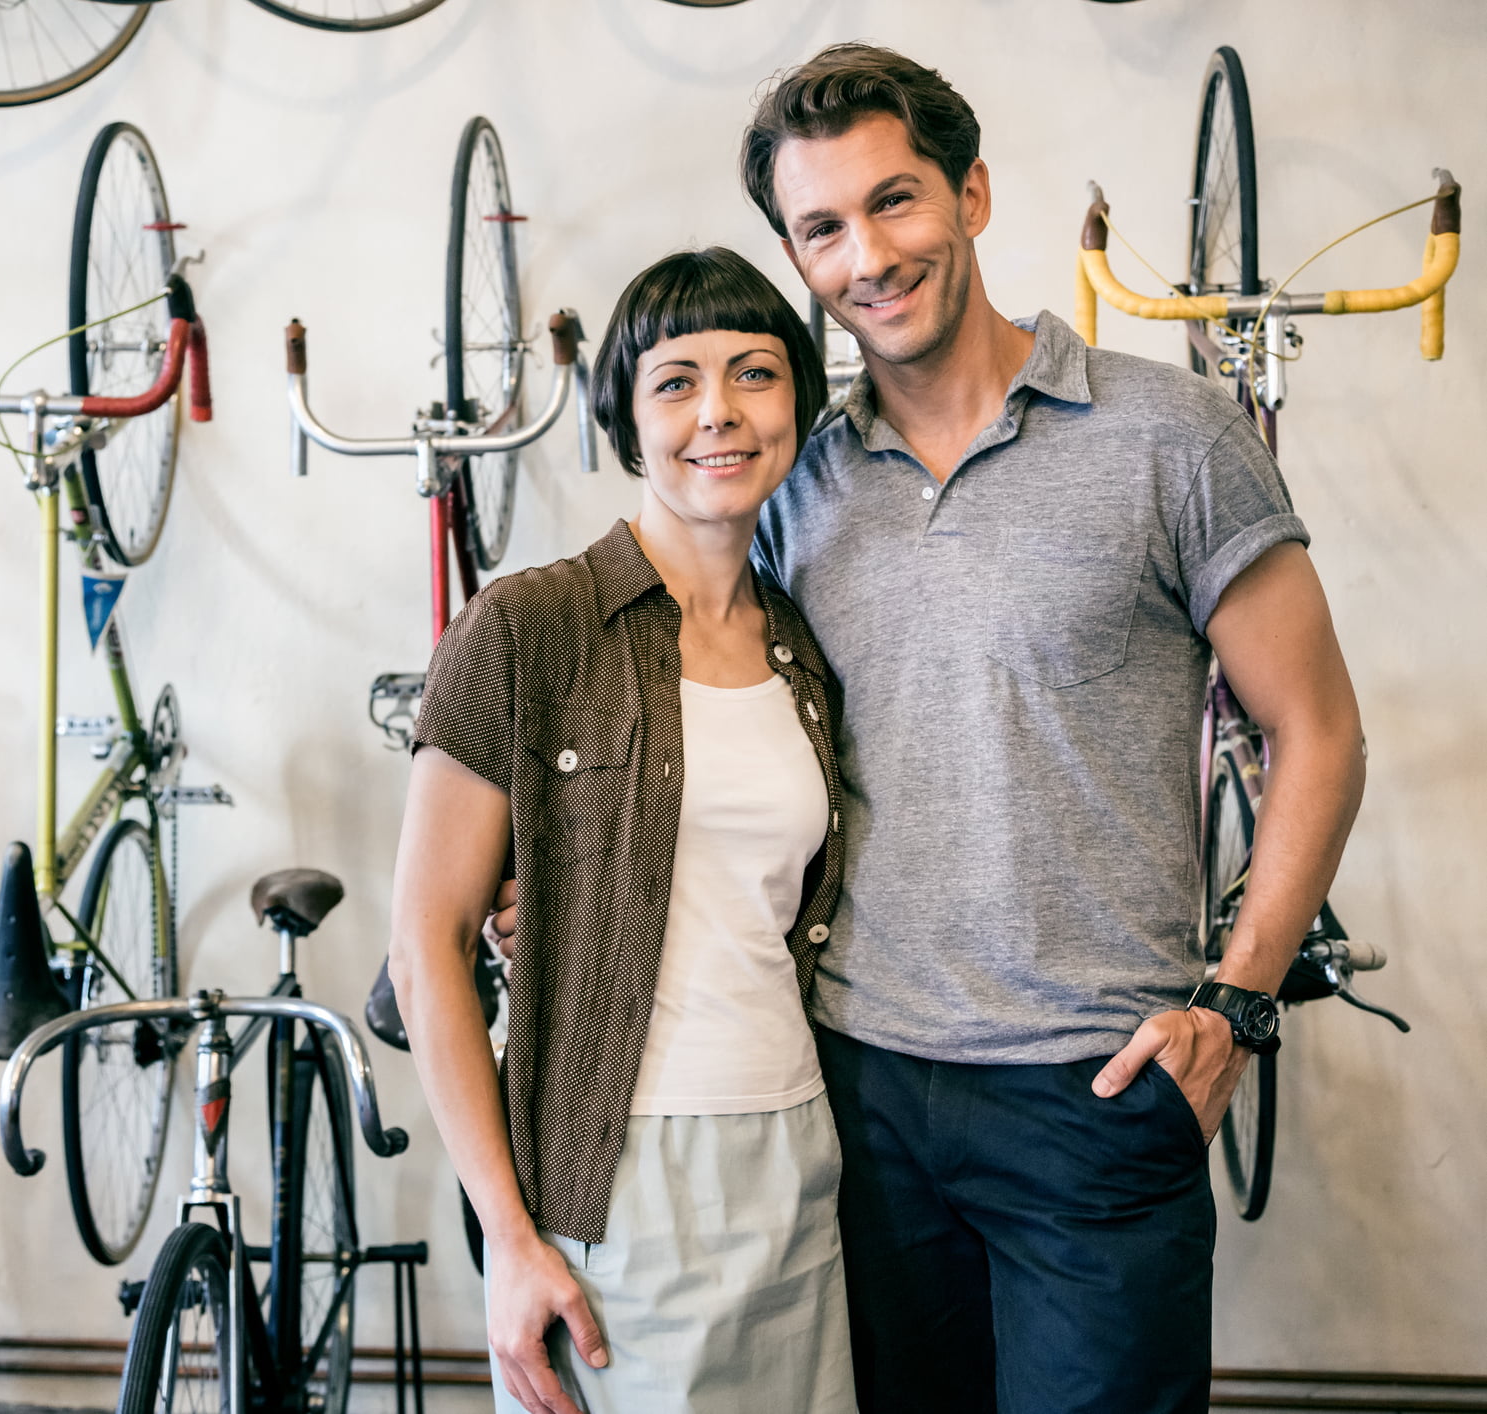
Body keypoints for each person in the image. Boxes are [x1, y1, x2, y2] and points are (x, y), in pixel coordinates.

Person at [495, 40, 1367, 1414]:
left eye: (893, 202)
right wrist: (540, 875)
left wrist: (1235, 1000)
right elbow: (687, 726)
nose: (865, 257)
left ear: (969, 195)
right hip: (855, 1095)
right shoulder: (793, 478)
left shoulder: (1171, 438)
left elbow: (1316, 727)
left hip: (1095, 1086)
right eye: (821, 229)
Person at [386, 247, 855, 1414]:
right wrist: (508, 1236)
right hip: (618, 1180)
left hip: (796, 1159)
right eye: (677, 381)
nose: (721, 412)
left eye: (755, 374)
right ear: (625, 418)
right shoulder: (530, 628)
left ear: (798, 401)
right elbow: (425, 943)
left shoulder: (805, 650)